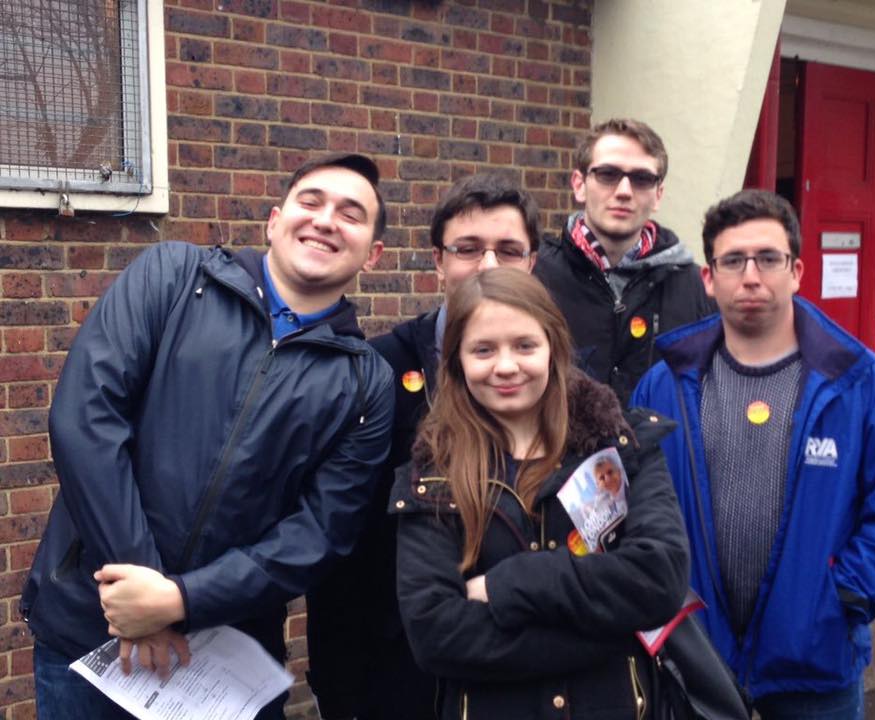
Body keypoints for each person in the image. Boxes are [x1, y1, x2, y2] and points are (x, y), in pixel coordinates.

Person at [21, 154, 395, 720]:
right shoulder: (172, 277)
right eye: (311, 202)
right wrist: (142, 590)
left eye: (351, 214)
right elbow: (86, 418)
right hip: (92, 631)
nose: (325, 220)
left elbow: (319, 533)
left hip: (224, 665)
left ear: (374, 253)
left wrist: (180, 601)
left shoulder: (366, 382)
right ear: (275, 220)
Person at [631, 189, 875, 719]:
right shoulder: (664, 385)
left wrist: (840, 598)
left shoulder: (860, 383)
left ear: (796, 271)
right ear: (709, 278)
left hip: (813, 668)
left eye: (768, 259)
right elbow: (632, 506)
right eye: (733, 261)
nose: (751, 276)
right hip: (693, 661)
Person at [391, 268, 689, 720]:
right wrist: (613, 630)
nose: (506, 366)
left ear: (553, 347)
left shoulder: (623, 447)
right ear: (456, 361)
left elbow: (660, 577)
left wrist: (505, 584)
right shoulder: (431, 479)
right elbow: (436, 634)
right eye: (483, 350)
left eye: (524, 345)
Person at [306, 173, 540, 720]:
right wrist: (340, 688)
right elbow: (339, 535)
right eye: (468, 249)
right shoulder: (376, 371)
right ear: (438, 262)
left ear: (532, 263)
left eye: (508, 250)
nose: (487, 266)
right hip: (396, 675)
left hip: (521, 667)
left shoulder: (557, 385)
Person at [534, 118, 715, 405]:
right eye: (608, 174)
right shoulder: (535, 277)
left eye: (641, 179)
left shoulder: (697, 288)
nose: (624, 191)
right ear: (579, 185)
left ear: (658, 195)